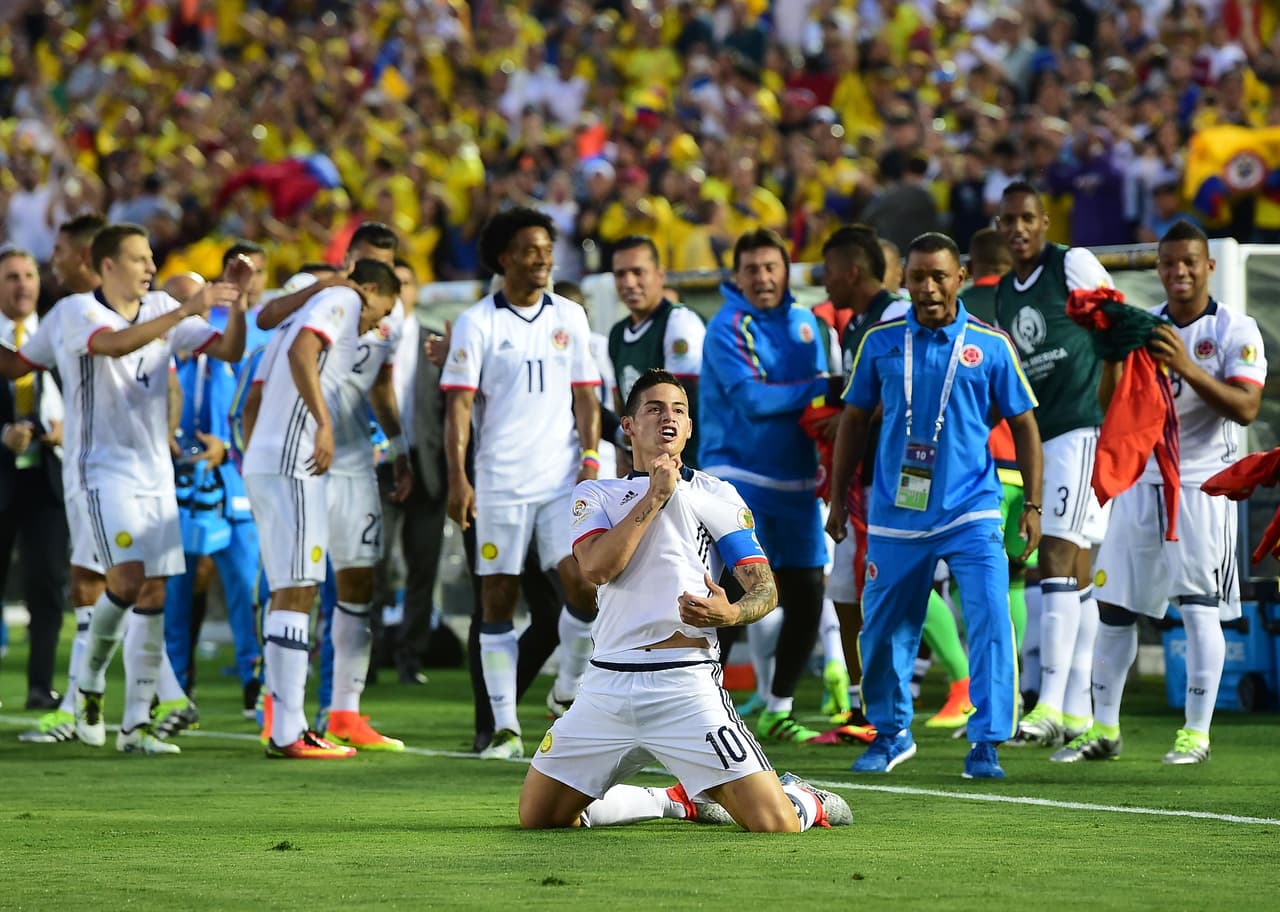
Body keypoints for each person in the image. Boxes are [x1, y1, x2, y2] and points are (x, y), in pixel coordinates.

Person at [519, 369, 851, 832]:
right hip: (606, 688)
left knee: (775, 824)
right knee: (539, 818)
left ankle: (804, 799)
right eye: (653, 409)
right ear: (629, 426)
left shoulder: (716, 494)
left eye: (678, 410)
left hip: (685, 687)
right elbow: (595, 569)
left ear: (690, 427)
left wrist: (732, 612)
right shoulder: (596, 493)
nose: (667, 418)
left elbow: (764, 587)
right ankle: (675, 800)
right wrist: (655, 496)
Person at [0, 222, 248, 755]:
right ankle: (89, 683)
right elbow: (109, 346)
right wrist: (183, 310)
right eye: (139, 259)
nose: (151, 268)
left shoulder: (159, 306)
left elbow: (227, 350)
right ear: (107, 264)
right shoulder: (75, 311)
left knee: (155, 590)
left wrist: (240, 302)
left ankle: (136, 727)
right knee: (127, 577)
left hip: (154, 469)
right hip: (99, 470)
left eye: (151, 258)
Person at [827, 232, 1043, 779]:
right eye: (918, 276)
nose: (927, 287)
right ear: (905, 281)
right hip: (896, 514)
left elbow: (1025, 425)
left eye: (939, 276)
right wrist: (836, 497)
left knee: (990, 617)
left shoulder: (990, 345)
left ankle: (987, 742)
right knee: (880, 630)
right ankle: (892, 733)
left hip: (972, 508)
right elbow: (853, 419)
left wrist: (1034, 504)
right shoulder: (879, 341)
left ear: (960, 277)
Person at [1057, 220, 1267, 765]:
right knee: (1115, 609)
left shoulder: (1235, 330)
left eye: (1189, 262)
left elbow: (1246, 408)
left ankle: (1196, 733)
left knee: (1198, 609)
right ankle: (1104, 730)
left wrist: (1185, 365)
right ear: (1159, 268)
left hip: (1203, 487)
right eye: (1169, 263)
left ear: (1209, 266)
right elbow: (1109, 403)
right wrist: (1109, 353)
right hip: (1141, 482)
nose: (1178, 272)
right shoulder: (1142, 326)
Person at [440, 207, 602, 760]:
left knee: (583, 586)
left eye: (547, 249)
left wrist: (589, 456)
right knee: (498, 598)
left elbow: (586, 393)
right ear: (504, 258)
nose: (542, 259)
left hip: (560, 479)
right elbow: (458, 408)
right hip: (499, 481)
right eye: (531, 250)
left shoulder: (571, 318)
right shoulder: (477, 322)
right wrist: (459, 478)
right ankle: (505, 727)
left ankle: (567, 689)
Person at [240, 257, 399, 759]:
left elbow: (266, 323)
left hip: (272, 459)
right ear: (369, 289)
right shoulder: (343, 300)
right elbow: (304, 351)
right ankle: (288, 731)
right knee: (297, 590)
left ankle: (288, 725)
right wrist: (323, 422)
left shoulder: (312, 300)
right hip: (294, 460)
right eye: (382, 309)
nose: (376, 322)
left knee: (293, 588)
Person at [699, 228, 841, 744]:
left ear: (786, 271)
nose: (762, 277)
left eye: (770, 267)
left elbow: (825, 403)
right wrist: (825, 390)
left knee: (805, 594)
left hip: (798, 483)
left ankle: (778, 709)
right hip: (740, 480)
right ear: (737, 276)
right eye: (751, 268)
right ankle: (705, 703)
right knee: (735, 590)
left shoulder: (808, 324)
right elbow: (754, 401)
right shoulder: (727, 326)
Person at [995, 180, 1114, 746]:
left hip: (1082, 427)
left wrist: (1110, 413)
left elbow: (1116, 331)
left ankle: (1045, 706)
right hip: (1048, 436)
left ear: (1046, 222)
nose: (1018, 228)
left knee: (1057, 558)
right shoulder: (1005, 293)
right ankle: (1075, 712)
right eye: (1008, 219)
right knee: (1077, 571)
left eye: (1027, 218)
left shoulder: (1074, 264)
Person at [163, 241, 270, 719]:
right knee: (174, 590)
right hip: (172, 480)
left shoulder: (235, 338)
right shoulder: (156, 348)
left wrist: (227, 446)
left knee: (245, 584)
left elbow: (255, 406)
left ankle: (257, 682)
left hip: (231, 477)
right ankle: (176, 685)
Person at [15, 213, 107, 743]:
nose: (53, 262)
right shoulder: (81, 312)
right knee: (112, 586)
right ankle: (104, 709)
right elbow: (17, 365)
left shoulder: (80, 311)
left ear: (91, 257)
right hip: (92, 469)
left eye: (61, 251)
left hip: (101, 470)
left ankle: (89, 708)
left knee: (98, 586)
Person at [373, 257, 449, 687]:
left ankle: (410, 657)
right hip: (378, 467)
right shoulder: (367, 340)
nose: (400, 291)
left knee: (424, 567)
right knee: (373, 565)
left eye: (405, 283)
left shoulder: (435, 345)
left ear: (416, 290)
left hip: (427, 470)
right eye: (393, 283)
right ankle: (367, 657)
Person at [0, 249, 67, 712]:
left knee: (47, 585)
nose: (22, 285)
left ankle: (41, 688)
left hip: (48, 478)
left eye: (28, 276)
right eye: (10, 277)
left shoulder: (60, 333)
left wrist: (70, 428)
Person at [607, 235, 705, 474]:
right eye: (620, 274)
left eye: (638, 272)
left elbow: (682, 401)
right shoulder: (618, 334)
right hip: (644, 466)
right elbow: (623, 402)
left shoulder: (679, 321)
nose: (629, 282)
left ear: (660, 275)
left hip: (686, 464)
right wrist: (624, 448)